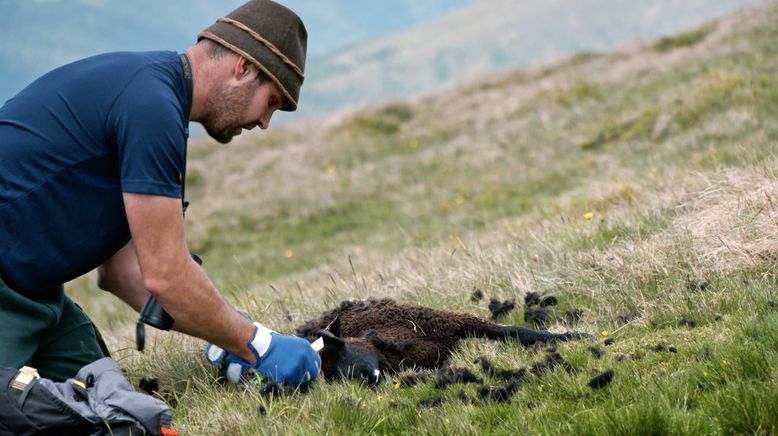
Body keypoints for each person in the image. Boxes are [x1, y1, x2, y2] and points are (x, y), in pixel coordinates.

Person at [0, 0, 320, 386]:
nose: (265, 122)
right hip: (7, 289)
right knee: (29, 413)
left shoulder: (152, 94)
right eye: (271, 102)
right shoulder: (151, 107)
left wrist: (227, 340)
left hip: (34, 296)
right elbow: (166, 274)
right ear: (244, 68)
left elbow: (123, 272)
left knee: (106, 401)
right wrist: (258, 345)